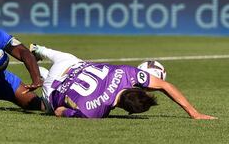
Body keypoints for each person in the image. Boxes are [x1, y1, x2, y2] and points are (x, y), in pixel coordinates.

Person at [29, 44, 217, 119]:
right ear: (127, 110)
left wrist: (194, 113)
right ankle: (42, 74)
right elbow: (61, 111)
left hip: (70, 65)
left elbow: (165, 86)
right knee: (49, 107)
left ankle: (39, 49)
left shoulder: (127, 73)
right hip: (53, 87)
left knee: (69, 58)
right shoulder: (94, 112)